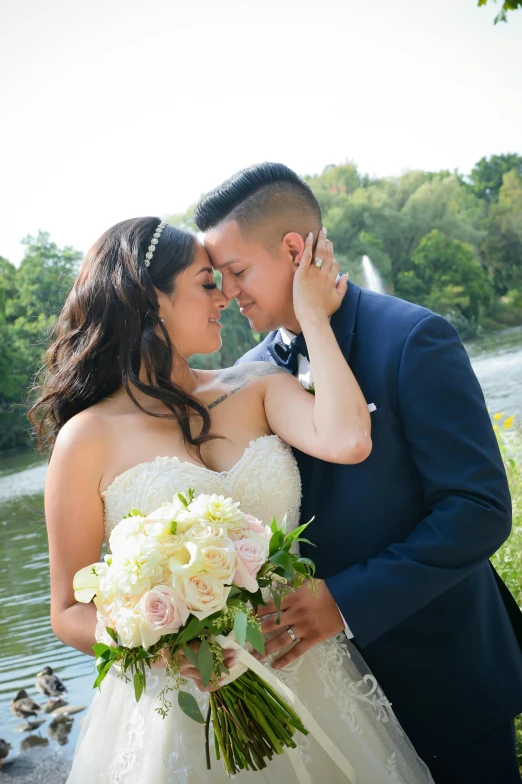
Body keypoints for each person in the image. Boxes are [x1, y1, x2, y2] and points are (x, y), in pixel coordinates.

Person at [33, 217, 433, 782]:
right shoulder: (87, 438)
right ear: (151, 299)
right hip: (183, 702)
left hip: (307, 671)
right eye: (205, 283)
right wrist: (158, 643)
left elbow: (349, 439)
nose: (225, 295)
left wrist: (312, 315)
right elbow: (69, 610)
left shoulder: (259, 385)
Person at [195, 162, 522, 784]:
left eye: (238, 272)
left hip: (445, 675)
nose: (228, 292)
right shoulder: (251, 373)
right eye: (219, 277)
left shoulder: (412, 338)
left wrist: (344, 602)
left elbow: (478, 511)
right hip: (325, 701)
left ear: (295, 250)